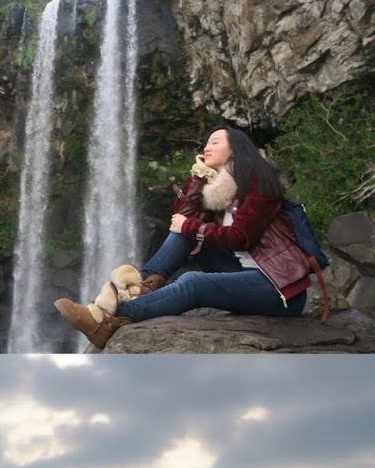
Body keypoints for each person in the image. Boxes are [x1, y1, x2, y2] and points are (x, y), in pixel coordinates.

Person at [54, 126, 314, 348]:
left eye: (215, 142)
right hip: (241, 273)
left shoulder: (258, 183)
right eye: (206, 143)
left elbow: (240, 237)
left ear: (235, 149)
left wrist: (191, 226)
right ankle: (140, 288)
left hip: (277, 289)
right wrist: (198, 177)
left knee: (193, 282)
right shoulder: (218, 191)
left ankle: (108, 317)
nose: (207, 147)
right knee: (185, 235)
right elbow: (181, 218)